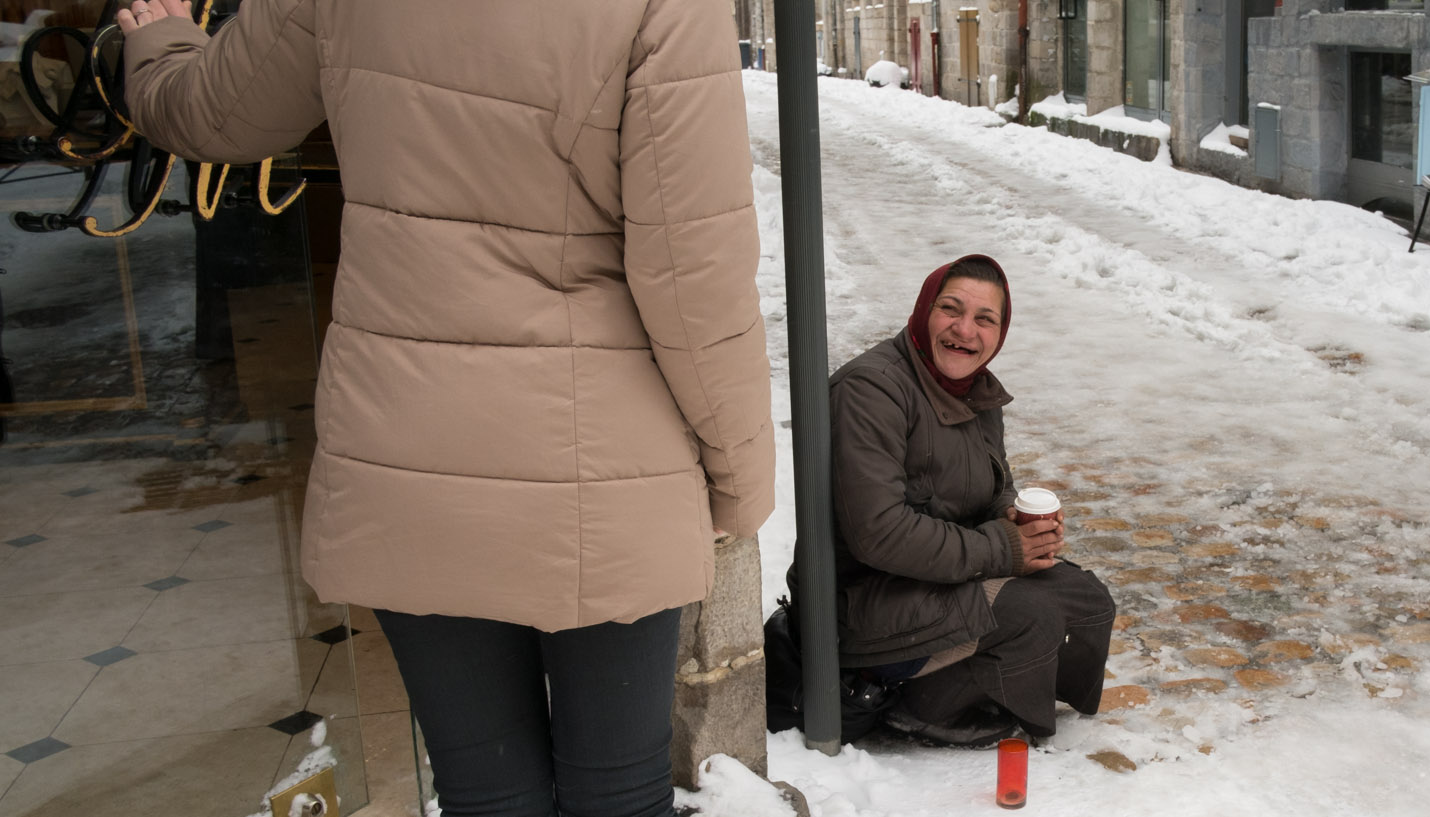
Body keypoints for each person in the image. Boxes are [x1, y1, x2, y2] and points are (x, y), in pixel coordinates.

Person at [117, 1, 774, 815]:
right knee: (617, 793)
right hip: (603, 465)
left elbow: (210, 114)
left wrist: (158, 40)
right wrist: (738, 474)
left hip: (408, 444)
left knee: (485, 790)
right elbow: (694, 272)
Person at [827, 254, 1115, 747]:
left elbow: (991, 482)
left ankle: (995, 684)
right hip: (866, 599)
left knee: (1087, 599)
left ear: (1000, 332)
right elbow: (878, 532)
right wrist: (1004, 548)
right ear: (924, 311)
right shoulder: (871, 390)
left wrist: (1010, 513)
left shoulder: (973, 388)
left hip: (943, 577)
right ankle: (920, 704)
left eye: (985, 319)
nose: (966, 330)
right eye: (951, 310)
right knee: (1029, 613)